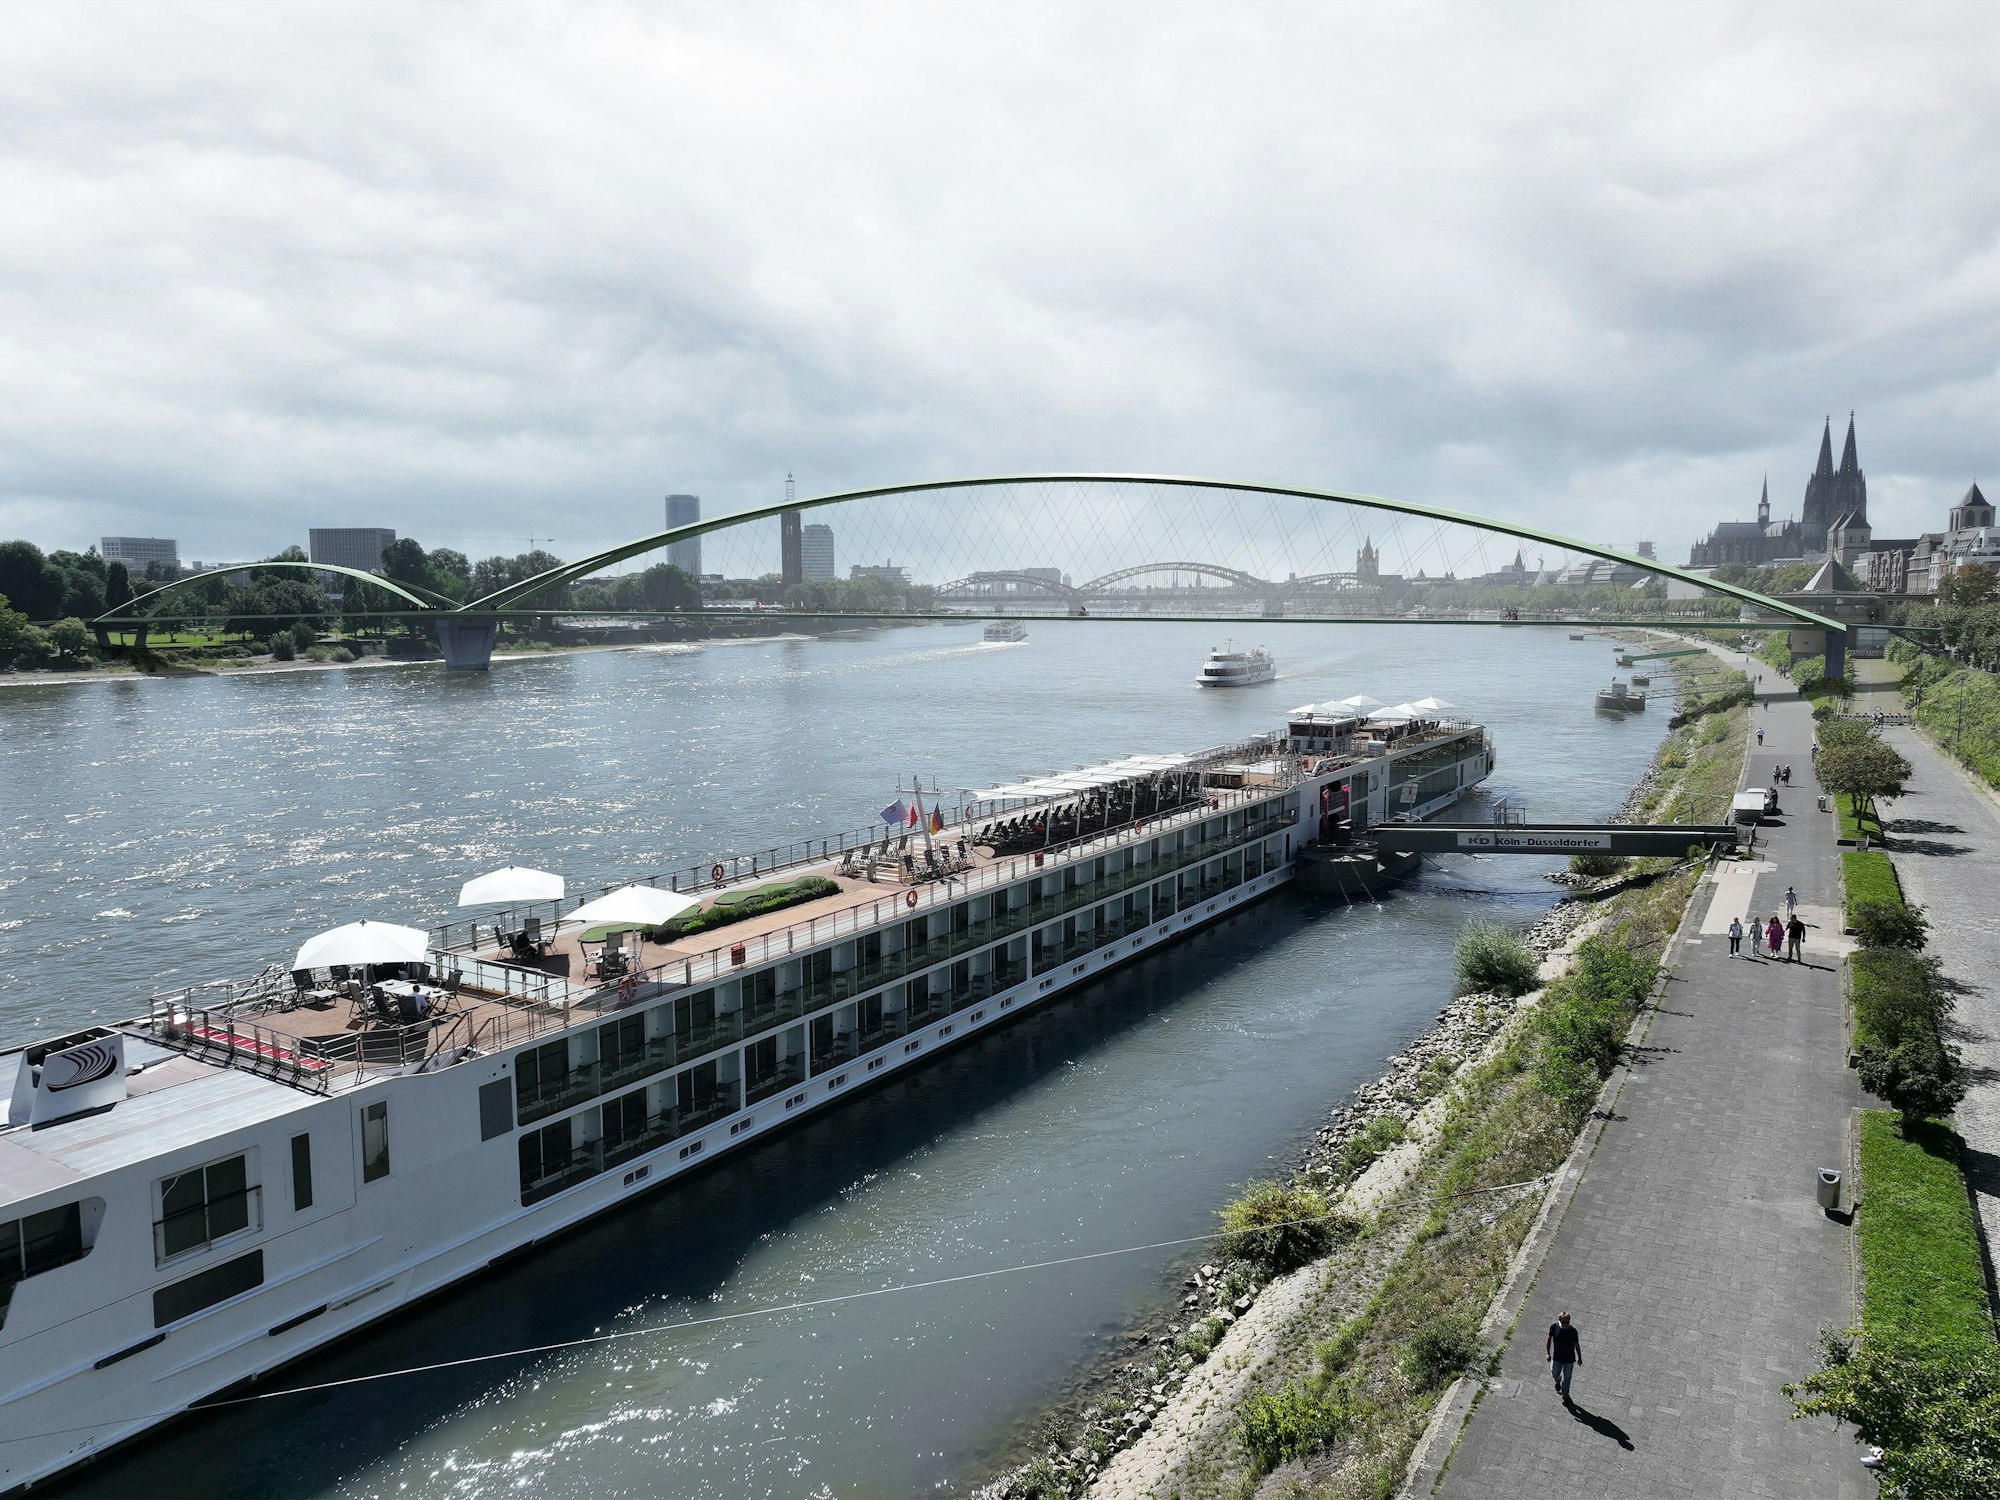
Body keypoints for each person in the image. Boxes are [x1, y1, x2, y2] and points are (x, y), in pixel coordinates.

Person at [1547, 1311, 1582, 1401]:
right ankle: (1558, 1381)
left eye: (1567, 1322)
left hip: (1569, 1359)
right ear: (1559, 1320)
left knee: (1567, 1378)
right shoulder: (1554, 1327)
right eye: (1563, 1322)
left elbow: (1576, 1344)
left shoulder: (1573, 1331)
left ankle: (1565, 1396)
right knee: (1554, 1373)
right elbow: (1549, 1340)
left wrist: (1579, 1357)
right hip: (1557, 1357)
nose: (1566, 1324)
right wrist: (1548, 1353)